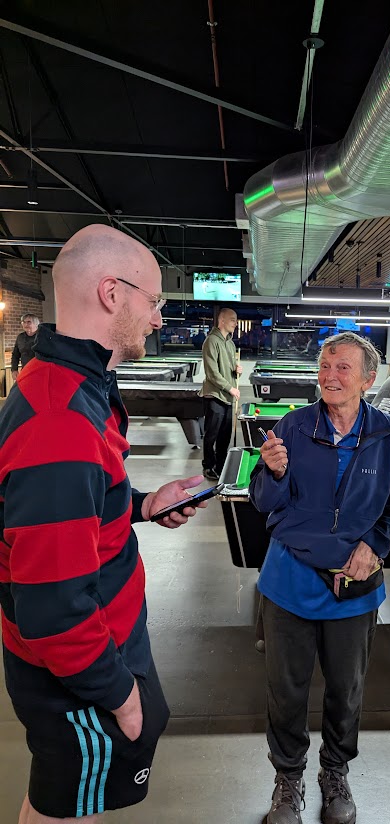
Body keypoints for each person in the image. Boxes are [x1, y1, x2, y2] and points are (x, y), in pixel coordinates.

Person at [0, 224, 210, 824]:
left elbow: (81, 503)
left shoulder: (77, 384)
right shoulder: (61, 417)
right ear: (112, 293)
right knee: (68, 811)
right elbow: (53, 609)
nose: (160, 317)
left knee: (63, 801)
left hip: (100, 651)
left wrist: (141, 504)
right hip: (83, 676)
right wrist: (122, 698)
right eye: (154, 299)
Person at [250, 332, 390, 824]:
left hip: (354, 587)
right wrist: (272, 473)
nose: (330, 376)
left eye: (343, 367)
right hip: (289, 581)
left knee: (346, 690)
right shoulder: (294, 426)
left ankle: (335, 772)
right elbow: (263, 502)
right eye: (325, 365)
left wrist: (376, 545)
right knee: (286, 690)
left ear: (368, 379)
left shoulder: (388, 435)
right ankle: (288, 777)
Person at [200, 307, 242, 480]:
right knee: (212, 434)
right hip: (214, 396)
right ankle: (209, 466)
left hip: (227, 397)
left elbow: (229, 371)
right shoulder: (211, 341)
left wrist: (236, 371)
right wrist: (230, 388)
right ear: (222, 320)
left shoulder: (230, 343)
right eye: (232, 320)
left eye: (236, 320)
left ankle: (221, 465)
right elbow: (212, 373)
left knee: (225, 435)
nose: (235, 323)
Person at [11, 313, 40, 381]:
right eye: (24, 322)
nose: (26, 324)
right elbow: (15, 355)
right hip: (25, 371)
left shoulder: (42, 336)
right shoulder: (20, 337)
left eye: (29, 322)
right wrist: (14, 369)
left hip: (40, 372)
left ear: (36, 324)